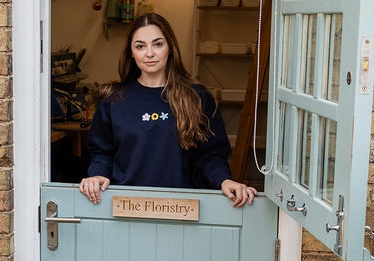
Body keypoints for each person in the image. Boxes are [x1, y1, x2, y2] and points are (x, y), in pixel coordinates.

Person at [79, 13, 257, 207]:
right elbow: (102, 152)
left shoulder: (197, 97)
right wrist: (97, 175)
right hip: (126, 207)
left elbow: (211, 156)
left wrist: (224, 180)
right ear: (131, 52)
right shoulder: (113, 99)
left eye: (158, 44)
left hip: (182, 208)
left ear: (170, 47)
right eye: (140, 46)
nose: (149, 53)